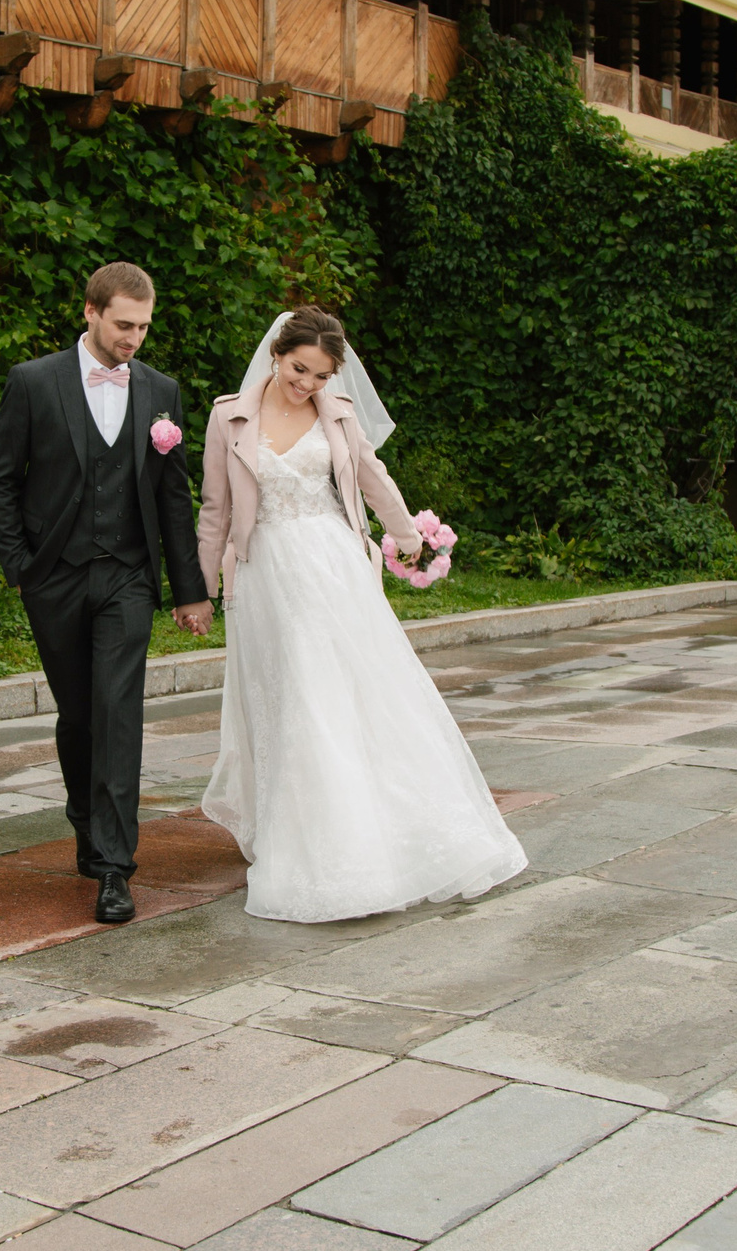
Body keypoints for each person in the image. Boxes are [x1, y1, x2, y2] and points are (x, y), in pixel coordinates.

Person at [196, 307, 527, 923]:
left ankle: (368, 833)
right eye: (300, 370)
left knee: (350, 694)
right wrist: (201, 586)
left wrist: (406, 535)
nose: (307, 385)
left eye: (320, 376)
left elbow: (373, 478)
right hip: (266, 575)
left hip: (335, 568)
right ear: (277, 353)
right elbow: (215, 507)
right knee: (289, 697)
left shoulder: (339, 414)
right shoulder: (228, 417)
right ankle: (304, 827)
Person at [0, 262, 210, 925]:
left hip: (128, 577)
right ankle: (84, 818)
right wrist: (18, 566)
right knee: (79, 715)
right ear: (89, 311)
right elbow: (1, 478)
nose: (134, 338)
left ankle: (115, 868)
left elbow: (173, 495)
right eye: (123, 324)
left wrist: (188, 589)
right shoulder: (33, 382)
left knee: (117, 713)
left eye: (143, 326)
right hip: (52, 576)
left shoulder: (161, 391)